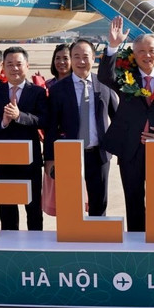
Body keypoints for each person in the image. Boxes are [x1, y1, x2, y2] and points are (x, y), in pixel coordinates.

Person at [98, 16, 154, 232]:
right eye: (141, 52)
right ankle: (137, 241)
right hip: (130, 148)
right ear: (134, 55)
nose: (147, 56)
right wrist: (113, 46)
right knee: (133, 197)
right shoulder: (125, 75)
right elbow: (104, 76)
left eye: (151, 51)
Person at [45, 39, 118, 216]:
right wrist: (49, 158)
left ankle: (97, 239)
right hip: (70, 155)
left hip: (99, 154)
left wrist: (121, 149)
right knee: (70, 205)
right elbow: (51, 127)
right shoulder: (58, 90)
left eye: (85, 56)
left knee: (99, 203)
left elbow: (117, 118)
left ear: (94, 59)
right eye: (76, 56)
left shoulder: (104, 85)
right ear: (70, 59)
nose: (81, 61)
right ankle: (73, 241)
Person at [0, 46, 46, 231]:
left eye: (18, 64)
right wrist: (2, 122)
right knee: (7, 209)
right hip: (3, 158)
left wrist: (20, 116)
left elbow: (44, 120)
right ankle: (10, 248)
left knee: (33, 208)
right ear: (3, 67)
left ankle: (36, 247)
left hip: (29, 159)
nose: (14, 68)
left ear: (27, 66)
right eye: (10, 64)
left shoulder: (38, 92)